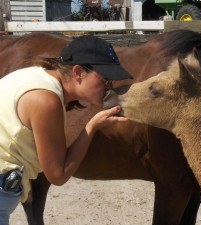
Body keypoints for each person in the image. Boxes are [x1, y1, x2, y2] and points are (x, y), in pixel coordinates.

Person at [0, 35, 132, 225]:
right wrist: (91, 126)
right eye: (105, 79)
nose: (109, 87)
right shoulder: (46, 101)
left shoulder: (37, 76)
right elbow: (58, 175)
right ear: (78, 72)